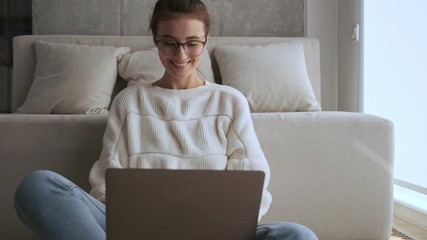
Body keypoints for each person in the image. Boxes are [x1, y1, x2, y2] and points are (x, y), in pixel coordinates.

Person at [14, 0, 319, 239]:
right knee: (37, 187)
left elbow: (255, 189)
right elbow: (105, 189)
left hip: (217, 234)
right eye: (169, 42)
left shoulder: (229, 102)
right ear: (155, 40)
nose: (181, 54)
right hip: (137, 233)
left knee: (299, 235)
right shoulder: (129, 102)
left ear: (206, 40)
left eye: (192, 43)